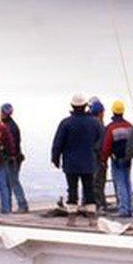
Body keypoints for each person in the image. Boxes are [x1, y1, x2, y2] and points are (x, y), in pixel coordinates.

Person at [51, 93, 103, 222]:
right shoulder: (94, 123)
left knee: (72, 190)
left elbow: (58, 143)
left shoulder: (66, 123)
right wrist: (98, 154)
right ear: (85, 106)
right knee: (89, 189)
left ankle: (72, 219)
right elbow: (101, 140)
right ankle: (92, 219)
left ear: (72, 106)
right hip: (89, 162)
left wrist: (55, 159)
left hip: (71, 163)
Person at [101, 100, 133, 217]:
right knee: (127, 182)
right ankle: (129, 208)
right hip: (128, 159)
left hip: (116, 159)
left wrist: (103, 159)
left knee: (120, 184)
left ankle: (123, 209)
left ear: (113, 111)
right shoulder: (129, 126)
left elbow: (107, 146)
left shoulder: (110, 128)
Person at [0, 103, 29, 213]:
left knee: (13, 181)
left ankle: (22, 205)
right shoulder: (10, 125)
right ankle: (7, 206)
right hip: (15, 156)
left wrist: (10, 155)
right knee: (9, 182)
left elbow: (11, 144)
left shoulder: (8, 127)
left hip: (11, 157)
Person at [88, 98, 108, 210]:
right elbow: (101, 143)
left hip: (93, 157)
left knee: (96, 181)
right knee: (98, 182)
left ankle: (98, 203)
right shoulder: (99, 125)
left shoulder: (90, 124)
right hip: (98, 157)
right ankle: (98, 204)